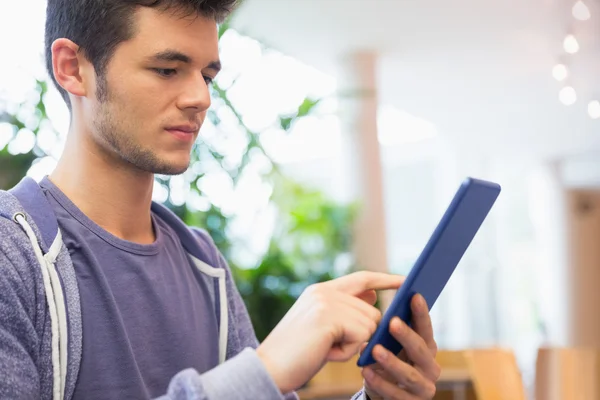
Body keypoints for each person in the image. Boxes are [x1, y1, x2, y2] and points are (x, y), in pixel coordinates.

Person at [0, 0, 441, 399]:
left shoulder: (201, 261)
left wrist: (377, 397)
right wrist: (263, 370)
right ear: (72, 68)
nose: (200, 98)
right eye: (167, 70)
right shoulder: (13, 253)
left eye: (207, 75)